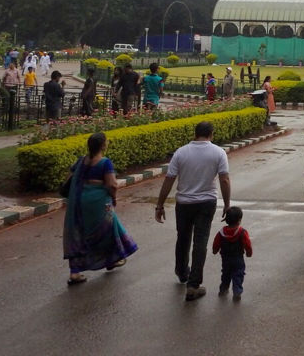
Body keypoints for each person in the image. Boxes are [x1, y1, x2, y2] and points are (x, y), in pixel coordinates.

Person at [154, 121, 231, 302]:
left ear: (195, 134)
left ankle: (182, 272)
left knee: (183, 237)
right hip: (207, 202)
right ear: (211, 134)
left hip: (184, 202)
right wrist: (227, 204)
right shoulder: (218, 152)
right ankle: (193, 285)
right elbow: (225, 180)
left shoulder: (181, 152)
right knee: (200, 241)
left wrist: (160, 205)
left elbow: (169, 179)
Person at [63, 132, 138, 285]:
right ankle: (110, 260)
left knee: (78, 234)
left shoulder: (81, 161)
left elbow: (69, 179)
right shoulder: (105, 163)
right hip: (98, 203)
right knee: (107, 231)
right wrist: (114, 198)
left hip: (79, 203)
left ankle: (75, 273)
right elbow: (112, 185)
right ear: (103, 145)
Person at [212, 206, 252, 300]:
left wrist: (215, 250)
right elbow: (247, 244)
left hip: (225, 258)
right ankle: (237, 291)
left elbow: (216, 243)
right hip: (238, 258)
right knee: (238, 273)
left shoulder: (221, 233)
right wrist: (249, 253)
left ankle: (223, 289)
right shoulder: (242, 232)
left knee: (226, 273)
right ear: (239, 220)